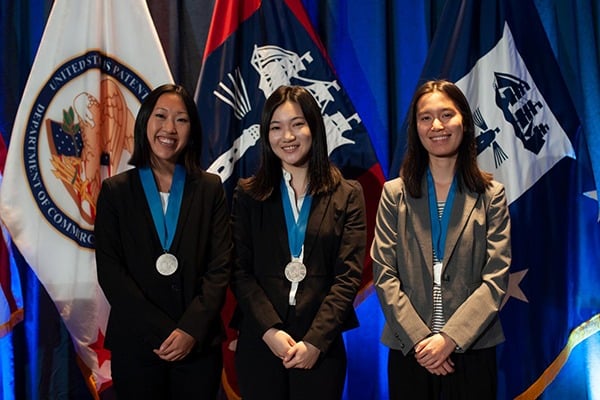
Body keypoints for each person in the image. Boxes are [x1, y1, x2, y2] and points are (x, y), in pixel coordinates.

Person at [371, 79, 511, 399]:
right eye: (425, 117)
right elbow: (384, 274)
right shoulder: (394, 194)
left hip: (472, 349)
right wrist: (423, 341)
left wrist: (449, 338)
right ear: (415, 128)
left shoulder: (492, 196)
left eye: (447, 115)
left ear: (464, 121)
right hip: (411, 349)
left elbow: (495, 279)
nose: (437, 125)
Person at [94, 83, 232, 399]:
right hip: (137, 345)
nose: (169, 128)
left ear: (192, 130)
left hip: (197, 345)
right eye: (160, 116)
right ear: (144, 122)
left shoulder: (210, 189)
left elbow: (220, 268)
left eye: (181, 119)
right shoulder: (116, 191)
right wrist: (163, 331)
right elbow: (111, 273)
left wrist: (189, 330)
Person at [230, 85, 366, 400]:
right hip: (261, 339)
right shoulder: (248, 195)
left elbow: (348, 277)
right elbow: (239, 270)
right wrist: (270, 330)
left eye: (297, 124)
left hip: (321, 344)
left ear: (313, 128)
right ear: (266, 135)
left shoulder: (348, 194)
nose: (287, 136)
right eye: (276, 127)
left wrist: (316, 341)